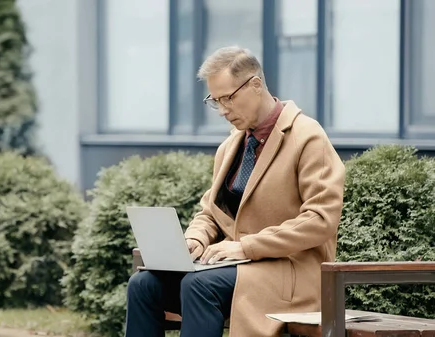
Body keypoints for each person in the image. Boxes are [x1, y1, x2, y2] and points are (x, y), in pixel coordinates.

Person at [124, 46, 345, 337]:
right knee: (143, 285)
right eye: (215, 101)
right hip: (235, 270)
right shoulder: (231, 146)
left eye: (228, 98)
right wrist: (194, 240)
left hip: (291, 274)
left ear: (255, 85)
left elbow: (320, 219)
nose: (223, 111)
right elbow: (211, 213)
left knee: (199, 285)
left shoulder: (307, 136)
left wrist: (245, 247)